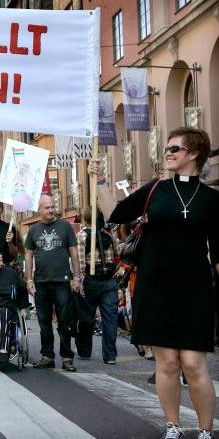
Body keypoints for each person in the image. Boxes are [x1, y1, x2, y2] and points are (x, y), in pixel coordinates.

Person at [89, 127, 219, 439]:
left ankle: (204, 430)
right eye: (168, 149)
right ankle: (172, 425)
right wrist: (101, 183)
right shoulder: (155, 189)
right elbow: (116, 214)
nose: (168, 153)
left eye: (175, 148)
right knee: (168, 362)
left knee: (193, 362)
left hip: (194, 287)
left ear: (194, 153)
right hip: (154, 284)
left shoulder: (212, 200)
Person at [24, 194, 81, 372]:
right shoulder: (33, 230)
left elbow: (73, 252)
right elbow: (28, 255)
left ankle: (66, 357)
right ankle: (47, 356)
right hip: (41, 283)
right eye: (47, 207)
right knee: (44, 322)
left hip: (62, 282)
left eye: (52, 206)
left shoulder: (65, 226)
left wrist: (77, 277)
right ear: (39, 210)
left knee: (64, 321)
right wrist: (29, 279)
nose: (51, 210)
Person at [74, 206, 119, 365]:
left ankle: (85, 350)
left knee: (87, 317)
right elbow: (117, 254)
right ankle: (110, 355)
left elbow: (79, 262)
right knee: (110, 319)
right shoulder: (109, 234)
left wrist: (77, 280)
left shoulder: (81, 236)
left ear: (85, 219)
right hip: (109, 280)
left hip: (90, 281)